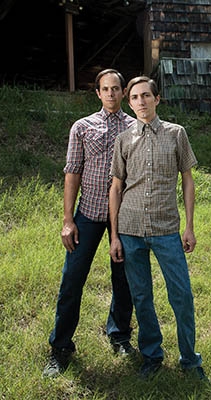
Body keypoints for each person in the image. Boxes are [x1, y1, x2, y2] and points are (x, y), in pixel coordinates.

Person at [109, 76, 207, 381]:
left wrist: (189, 227)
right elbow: (116, 187)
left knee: (182, 294)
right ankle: (151, 355)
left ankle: (190, 359)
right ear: (130, 102)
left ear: (157, 99)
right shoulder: (123, 139)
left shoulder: (176, 134)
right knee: (142, 296)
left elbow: (188, 179)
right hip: (130, 228)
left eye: (145, 96)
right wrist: (114, 235)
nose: (140, 102)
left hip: (166, 229)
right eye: (134, 97)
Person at [43, 69, 136, 378]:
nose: (110, 94)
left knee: (124, 279)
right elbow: (72, 171)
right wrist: (68, 219)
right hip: (89, 213)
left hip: (125, 216)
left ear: (123, 92)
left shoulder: (136, 127)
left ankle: (120, 335)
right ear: (97, 93)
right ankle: (60, 347)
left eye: (115, 89)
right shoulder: (82, 127)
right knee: (72, 280)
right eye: (105, 89)